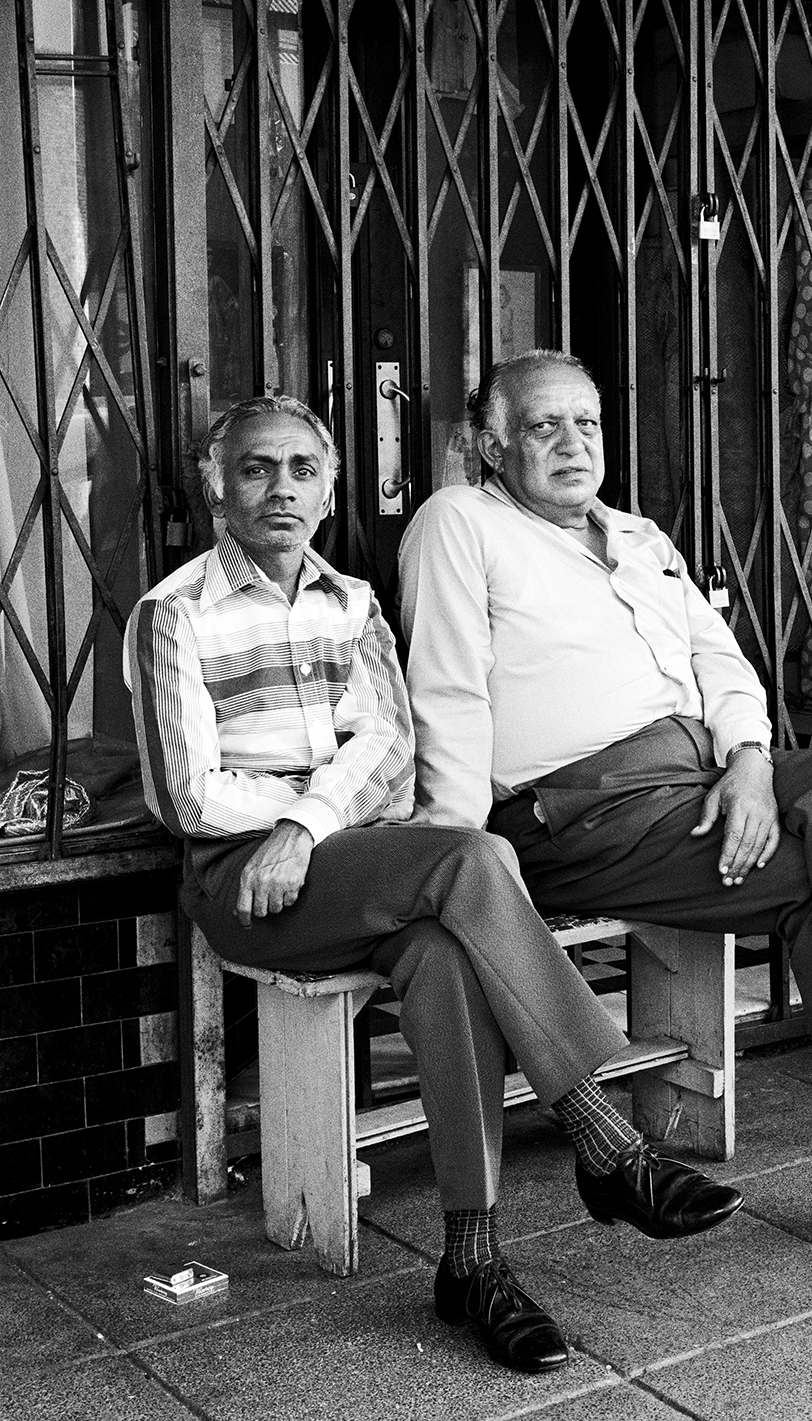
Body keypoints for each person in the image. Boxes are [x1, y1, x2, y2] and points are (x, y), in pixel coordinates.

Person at [125, 396, 744, 1378]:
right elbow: (190, 795)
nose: (279, 487)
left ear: (328, 490)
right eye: (255, 468)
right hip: (246, 882)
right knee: (473, 854)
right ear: (216, 484)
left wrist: (304, 817)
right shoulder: (173, 615)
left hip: (350, 861)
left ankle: (473, 1260)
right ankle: (607, 1140)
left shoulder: (355, 603)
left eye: (299, 468)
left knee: (444, 954)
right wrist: (300, 823)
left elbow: (390, 757)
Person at [398, 350, 812, 1261]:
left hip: (698, 785)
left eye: (585, 423)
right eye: (543, 426)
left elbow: (723, 664)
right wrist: (468, 863)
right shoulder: (458, 522)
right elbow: (449, 693)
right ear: (492, 444)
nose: (571, 442)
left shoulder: (639, 536)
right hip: (579, 809)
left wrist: (748, 758)